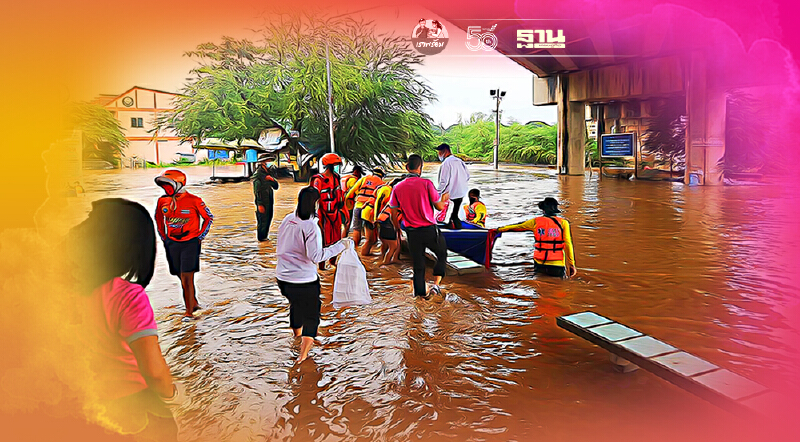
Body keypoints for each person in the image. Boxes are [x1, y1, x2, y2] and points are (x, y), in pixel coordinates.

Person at [66, 199, 184, 441]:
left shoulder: (54, 289)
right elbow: (154, 371)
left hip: (85, 405)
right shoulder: (127, 297)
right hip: (136, 410)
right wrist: (174, 397)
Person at [276, 187, 350, 363]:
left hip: (283, 278)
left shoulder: (288, 219)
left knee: (296, 306)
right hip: (304, 280)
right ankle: (303, 357)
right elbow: (315, 256)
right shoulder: (310, 226)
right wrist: (341, 246)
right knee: (311, 316)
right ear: (315, 204)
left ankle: (297, 338)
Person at [154, 169, 213, 320]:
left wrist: (200, 236)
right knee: (180, 275)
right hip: (172, 243)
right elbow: (158, 218)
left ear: (179, 184)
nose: (166, 188)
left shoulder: (194, 200)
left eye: (169, 185)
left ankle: (189, 313)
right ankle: (193, 302)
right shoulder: (162, 201)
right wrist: (163, 237)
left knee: (187, 277)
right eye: (164, 185)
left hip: (190, 243)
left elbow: (208, 217)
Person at [389, 154, 449, 299]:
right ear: (420, 168)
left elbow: (393, 212)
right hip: (429, 230)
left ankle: (420, 297)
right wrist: (444, 199)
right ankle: (436, 284)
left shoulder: (397, 187)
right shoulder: (426, 184)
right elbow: (439, 207)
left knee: (418, 265)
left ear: (407, 167)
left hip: (411, 232)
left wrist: (397, 228)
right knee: (442, 254)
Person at [495, 197, 577, 278]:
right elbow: (568, 244)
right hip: (556, 264)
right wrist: (571, 264)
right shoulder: (563, 223)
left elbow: (517, 226)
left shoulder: (535, 222)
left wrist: (499, 229)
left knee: (539, 288)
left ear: (543, 209)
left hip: (539, 263)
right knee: (558, 288)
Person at [310, 153, 348, 270]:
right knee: (322, 239)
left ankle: (333, 262)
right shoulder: (318, 180)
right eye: (333, 164)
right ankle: (321, 266)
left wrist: (345, 213)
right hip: (323, 214)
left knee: (336, 239)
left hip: (335, 213)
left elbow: (341, 197)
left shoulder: (336, 178)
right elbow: (312, 199)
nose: (334, 167)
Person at [345, 167, 386, 248]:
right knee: (369, 237)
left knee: (356, 229)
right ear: (382, 175)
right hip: (368, 209)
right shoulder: (382, 183)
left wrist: (348, 205)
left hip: (357, 207)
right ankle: (366, 252)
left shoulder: (364, 179)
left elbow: (350, 193)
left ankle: (354, 250)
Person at [436, 143, 470, 230]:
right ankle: (456, 228)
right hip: (461, 192)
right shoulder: (460, 161)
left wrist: (437, 193)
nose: (439, 155)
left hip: (450, 194)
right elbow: (467, 176)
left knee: (447, 215)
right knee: (454, 214)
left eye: (439, 152)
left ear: (444, 152)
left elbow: (443, 181)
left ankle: (448, 228)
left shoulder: (446, 163)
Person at [359, 170, 392, 256]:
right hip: (369, 214)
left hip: (367, 212)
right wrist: (375, 219)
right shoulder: (387, 189)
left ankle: (366, 259)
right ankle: (363, 257)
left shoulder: (386, 188)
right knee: (370, 240)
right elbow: (378, 202)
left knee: (373, 240)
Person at [376, 176, 406, 265]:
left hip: (382, 220)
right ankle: (385, 264)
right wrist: (397, 227)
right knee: (393, 246)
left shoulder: (394, 197)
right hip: (387, 222)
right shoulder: (401, 198)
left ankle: (388, 259)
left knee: (388, 244)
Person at [252, 158, 279, 242]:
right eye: (268, 161)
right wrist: (259, 204)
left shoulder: (268, 174)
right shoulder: (258, 175)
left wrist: (272, 179)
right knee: (262, 220)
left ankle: (265, 239)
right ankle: (261, 239)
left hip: (269, 200)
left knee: (268, 218)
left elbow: (276, 186)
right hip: (262, 201)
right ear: (263, 163)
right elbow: (257, 191)